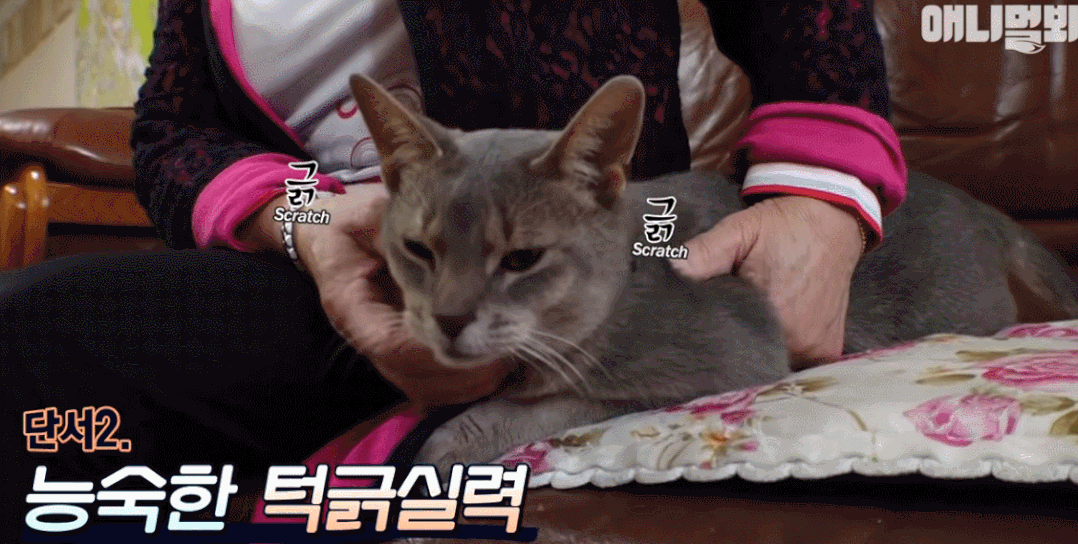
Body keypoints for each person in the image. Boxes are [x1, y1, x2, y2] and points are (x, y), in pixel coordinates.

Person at [1, 0, 906, 537]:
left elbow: (809, 30)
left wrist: (819, 197)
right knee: (34, 343)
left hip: (599, 258)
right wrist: (309, 218)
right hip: (350, 254)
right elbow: (174, 133)